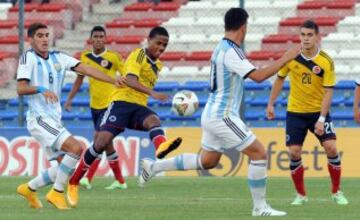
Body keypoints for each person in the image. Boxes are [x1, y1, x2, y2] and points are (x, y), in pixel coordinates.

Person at [138, 8, 301, 217]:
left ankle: (154, 167)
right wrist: (285, 58)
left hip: (212, 113)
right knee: (259, 154)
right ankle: (260, 208)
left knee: (208, 161)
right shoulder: (231, 51)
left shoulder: (222, 47)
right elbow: (259, 76)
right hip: (223, 116)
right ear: (243, 27)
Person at [67, 26, 183, 207]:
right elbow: (130, 79)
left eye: (165, 45)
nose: (161, 48)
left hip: (138, 108)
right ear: (148, 41)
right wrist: (152, 93)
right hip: (120, 104)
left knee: (154, 120)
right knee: (100, 143)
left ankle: (161, 147)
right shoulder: (139, 55)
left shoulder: (157, 65)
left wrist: (148, 95)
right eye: (158, 43)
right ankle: (74, 182)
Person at [15, 23, 119, 210]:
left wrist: (114, 80)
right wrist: (41, 89)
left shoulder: (59, 58)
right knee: (76, 147)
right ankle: (57, 193)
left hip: (53, 119)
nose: (45, 39)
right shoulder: (27, 58)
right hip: (39, 119)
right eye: (40, 35)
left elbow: (86, 69)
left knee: (65, 167)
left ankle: (28, 188)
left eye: (47, 35)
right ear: (31, 39)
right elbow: (20, 88)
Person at [266, 20, 349, 206]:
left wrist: (321, 119)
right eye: (303, 35)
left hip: (318, 112)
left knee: (331, 148)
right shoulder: (291, 56)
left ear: (317, 37)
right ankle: (301, 195)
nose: (306, 38)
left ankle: (336, 192)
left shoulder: (325, 61)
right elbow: (279, 79)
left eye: (309, 35)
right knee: (294, 152)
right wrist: (271, 103)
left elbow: (329, 91)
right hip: (295, 112)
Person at [64, 26, 127, 190]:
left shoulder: (113, 58)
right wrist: (70, 99)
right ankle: (120, 181)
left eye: (101, 36)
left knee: (99, 139)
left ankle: (87, 179)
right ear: (91, 39)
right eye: (96, 37)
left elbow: (126, 75)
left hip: (110, 105)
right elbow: (79, 80)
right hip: (95, 106)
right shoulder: (85, 57)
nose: (99, 39)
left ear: (105, 39)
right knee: (106, 144)